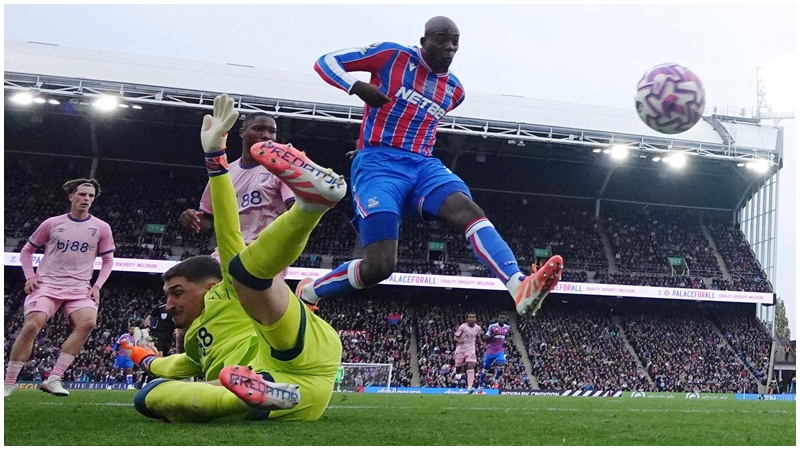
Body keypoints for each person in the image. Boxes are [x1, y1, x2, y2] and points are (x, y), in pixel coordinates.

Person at [300, 16, 563, 316]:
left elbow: (415, 122)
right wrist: (356, 85)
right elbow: (326, 61)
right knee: (381, 266)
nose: (450, 47)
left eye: (455, 41)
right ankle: (310, 291)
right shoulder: (392, 56)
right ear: (424, 40)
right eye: (441, 38)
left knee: (469, 210)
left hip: (423, 165)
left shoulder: (454, 91)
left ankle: (518, 285)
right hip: (379, 166)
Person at [122, 94, 347, 423]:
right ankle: (256, 397)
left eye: (177, 292)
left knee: (243, 271)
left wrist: (215, 156)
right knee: (149, 396)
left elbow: (228, 232)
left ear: (209, 286)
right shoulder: (197, 344)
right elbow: (170, 366)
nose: (168, 305)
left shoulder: (224, 291)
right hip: (298, 395)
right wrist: (141, 356)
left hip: (288, 345)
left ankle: (308, 208)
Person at [4, 178, 115, 398]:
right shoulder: (52, 223)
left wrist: (97, 286)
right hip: (47, 285)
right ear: (71, 196)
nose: (86, 199)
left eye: (90, 196)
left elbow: (108, 261)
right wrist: (30, 276)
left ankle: (54, 378)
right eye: (82, 194)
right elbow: (26, 252)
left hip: (79, 288)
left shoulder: (101, 227)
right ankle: (8, 382)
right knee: (32, 326)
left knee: (89, 323)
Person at [179, 112, 295, 252]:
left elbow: (296, 209)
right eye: (259, 129)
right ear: (242, 132)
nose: (266, 135)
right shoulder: (224, 173)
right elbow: (209, 220)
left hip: (265, 252)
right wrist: (194, 219)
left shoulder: (280, 168)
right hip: (228, 250)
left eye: (272, 131)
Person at [478, 315, 511, 391]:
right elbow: (485, 338)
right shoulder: (492, 327)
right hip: (490, 351)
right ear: (497, 319)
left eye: (503, 318)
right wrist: (494, 335)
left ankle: (495, 379)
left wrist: (506, 342)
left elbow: (508, 335)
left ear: (505, 319)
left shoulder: (507, 328)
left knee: (502, 366)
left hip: (500, 351)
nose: (502, 319)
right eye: (500, 318)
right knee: (485, 369)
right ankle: (480, 386)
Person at [454, 312, 482, 394]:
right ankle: (457, 372)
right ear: (467, 319)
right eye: (470, 317)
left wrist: (481, 343)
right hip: (460, 350)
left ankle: (470, 387)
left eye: (473, 317)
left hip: (471, 350)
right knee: (458, 366)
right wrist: (459, 341)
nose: (471, 318)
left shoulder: (478, 328)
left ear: (475, 319)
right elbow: (455, 337)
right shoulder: (463, 327)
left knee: (471, 365)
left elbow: (477, 337)